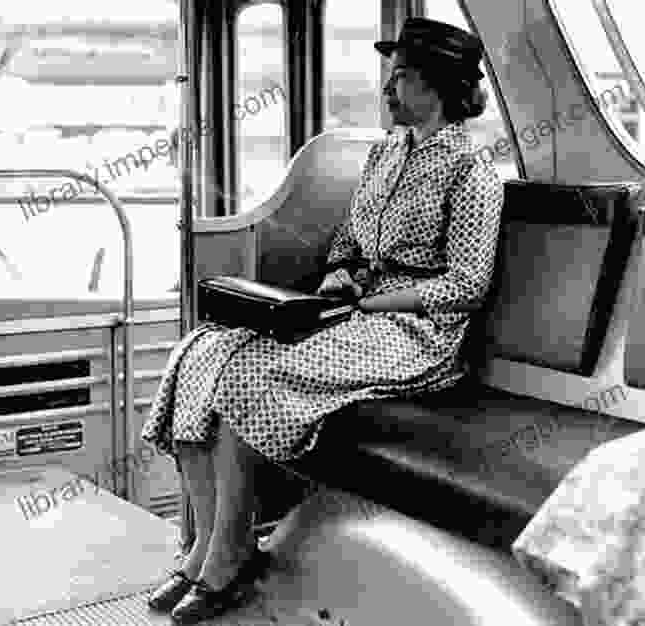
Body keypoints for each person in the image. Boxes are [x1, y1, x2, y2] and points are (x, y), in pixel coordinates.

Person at [142, 17, 504, 624]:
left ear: (439, 87)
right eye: (390, 78)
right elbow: (351, 241)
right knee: (202, 350)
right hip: (356, 310)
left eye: (403, 78)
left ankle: (231, 553)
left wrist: (374, 304)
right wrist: (341, 274)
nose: (388, 91)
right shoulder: (385, 154)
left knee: (246, 377)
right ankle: (205, 547)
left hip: (417, 334)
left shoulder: (474, 173)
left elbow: (464, 288)